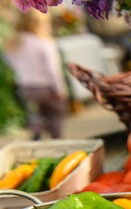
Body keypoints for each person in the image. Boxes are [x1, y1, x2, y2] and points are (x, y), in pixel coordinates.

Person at [4, 9, 68, 140]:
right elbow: (52, 69)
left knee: (37, 112)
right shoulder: (44, 42)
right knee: (56, 113)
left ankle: (37, 126)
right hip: (45, 86)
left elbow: (10, 64)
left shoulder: (14, 43)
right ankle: (57, 140)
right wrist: (60, 89)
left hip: (26, 87)